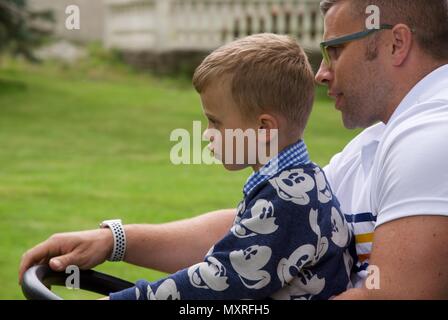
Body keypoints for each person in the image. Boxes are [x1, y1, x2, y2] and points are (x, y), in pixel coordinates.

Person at [20, 0, 448, 299]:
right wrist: (114, 241)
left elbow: (397, 295)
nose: (321, 73)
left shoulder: (430, 138)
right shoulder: (374, 144)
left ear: (396, 43)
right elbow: (257, 234)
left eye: (335, 50)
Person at [20, 34, 355, 300]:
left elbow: (217, 283)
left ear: (264, 128)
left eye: (215, 122)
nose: (207, 135)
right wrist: (114, 241)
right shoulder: (295, 184)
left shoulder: (290, 201)